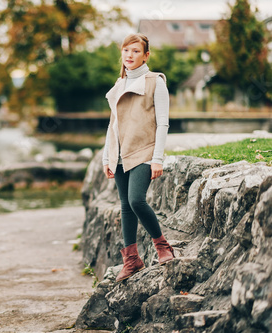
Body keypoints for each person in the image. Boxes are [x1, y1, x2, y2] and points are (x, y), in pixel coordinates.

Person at [102, 33, 175, 282]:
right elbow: (113, 124)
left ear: (146, 55)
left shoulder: (156, 82)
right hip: (120, 154)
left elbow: (163, 124)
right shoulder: (119, 84)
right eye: (126, 51)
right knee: (125, 206)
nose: (129, 56)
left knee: (135, 200)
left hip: (144, 152)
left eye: (135, 51)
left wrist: (158, 158)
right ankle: (132, 260)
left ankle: (162, 246)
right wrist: (106, 157)